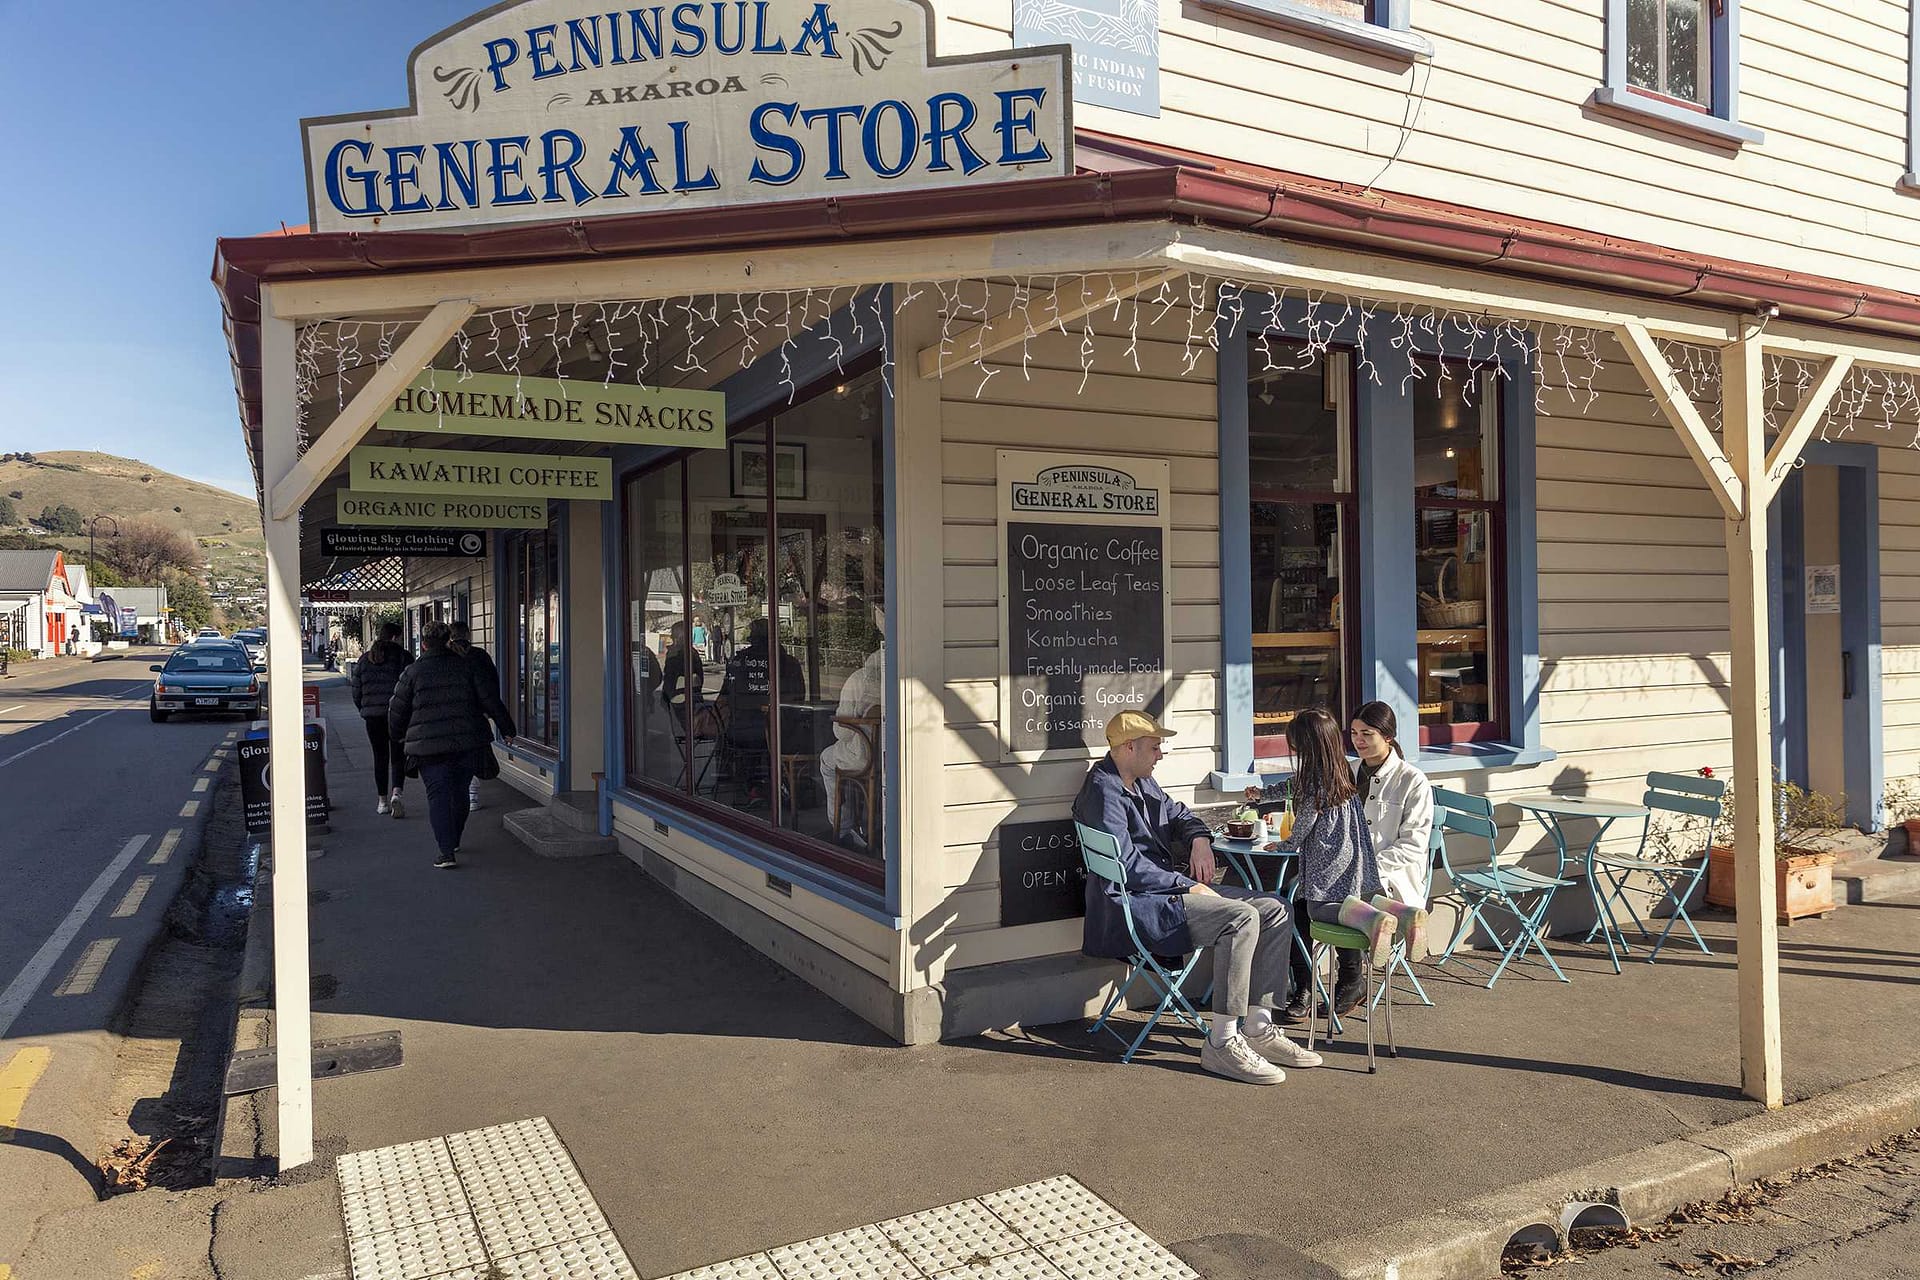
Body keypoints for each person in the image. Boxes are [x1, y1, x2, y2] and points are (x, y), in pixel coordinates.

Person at [1074, 710, 1320, 1085]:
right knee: (1241, 917)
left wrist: (1200, 839)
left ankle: (1258, 1026)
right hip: (1140, 906)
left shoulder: (1141, 781)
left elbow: (1179, 814)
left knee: (1275, 908)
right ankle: (1221, 1042)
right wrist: (1185, 884)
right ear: (1129, 747)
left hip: (1167, 892)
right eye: (1155, 747)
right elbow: (1127, 866)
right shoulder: (1104, 791)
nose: (1161, 754)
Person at [1272, 708, 1406, 1023]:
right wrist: (1263, 794)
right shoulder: (1342, 769)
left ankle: (1371, 923)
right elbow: (1293, 785)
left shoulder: (1318, 780)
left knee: (1313, 908)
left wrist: (1285, 845)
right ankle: (1402, 914)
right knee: (1336, 903)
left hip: (1327, 861)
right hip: (1352, 861)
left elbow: (1304, 822)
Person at [390, 621, 515, 869]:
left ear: (424, 644)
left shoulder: (412, 672)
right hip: (466, 741)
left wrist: (398, 735)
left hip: (428, 746)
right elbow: (489, 699)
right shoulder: (466, 667)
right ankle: (455, 837)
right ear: (448, 641)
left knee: (437, 795)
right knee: (459, 792)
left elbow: (397, 709)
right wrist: (507, 729)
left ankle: (446, 851)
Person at [1350, 700, 1434, 958]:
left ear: (1388, 736)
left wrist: (1368, 868)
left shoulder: (1412, 780)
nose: (1358, 740)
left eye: (1367, 734)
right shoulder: (1347, 772)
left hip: (1391, 876)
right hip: (1348, 870)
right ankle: (1399, 918)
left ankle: (1352, 973)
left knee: (1321, 900)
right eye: (1354, 733)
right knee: (1302, 892)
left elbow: (1413, 845)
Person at [716, 616, 805, 803]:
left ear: (752, 638)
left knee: (732, 738)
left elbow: (726, 694)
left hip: (744, 731)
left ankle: (750, 785)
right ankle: (776, 784)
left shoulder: (740, 661)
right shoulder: (790, 663)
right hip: (785, 731)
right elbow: (799, 697)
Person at [819, 602, 886, 841]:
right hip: (893, 758)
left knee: (827, 760)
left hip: (864, 757)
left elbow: (842, 733)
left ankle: (842, 826)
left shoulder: (858, 680)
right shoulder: (899, 675)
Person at [348, 622, 414, 817]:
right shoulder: (403, 657)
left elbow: (356, 690)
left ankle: (382, 801)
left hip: (373, 717)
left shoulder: (364, 659)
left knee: (380, 757)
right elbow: (411, 687)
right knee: (398, 756)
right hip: (397, 715)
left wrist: (364, 709)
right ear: (394, 637)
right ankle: (397, 793)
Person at [448, 621, 502, 812]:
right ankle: (472, 793)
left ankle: (461, 791)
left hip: (450, 713)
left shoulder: (445, 656)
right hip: (475, 713)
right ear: (468, 635)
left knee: (454, 753)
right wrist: (490, 710)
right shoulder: (480, 655)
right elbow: (492, 684)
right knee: (471, 751)